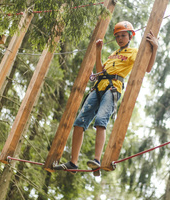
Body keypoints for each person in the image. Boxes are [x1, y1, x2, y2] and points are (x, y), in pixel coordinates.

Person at [53, 21, 158, 176]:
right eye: (117, 36)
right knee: (79, 122)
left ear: (130, 36)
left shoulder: (133, 53)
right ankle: (73, 163)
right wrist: (98, 51)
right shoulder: (114, 54)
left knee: (101, 120)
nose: (120, 38)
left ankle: (96, 160)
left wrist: (155, 48)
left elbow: (147, 68)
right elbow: (100, 70)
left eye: (123, 35)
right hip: (98, 87)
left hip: (112, 88)